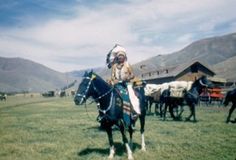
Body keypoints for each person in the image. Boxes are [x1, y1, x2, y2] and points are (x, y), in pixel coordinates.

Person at [108, 44, 141, 117]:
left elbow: (132, 75)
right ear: (117, 57)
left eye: (122, 56)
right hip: (116, 85)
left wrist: (127, 78)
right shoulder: (114, 66)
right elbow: (112, 76)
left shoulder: (127, 65)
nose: (120, 57)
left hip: (126, 84)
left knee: (132, 96)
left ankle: (133, 112)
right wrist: (113, 81)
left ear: (124, 57)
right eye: (119, 56)